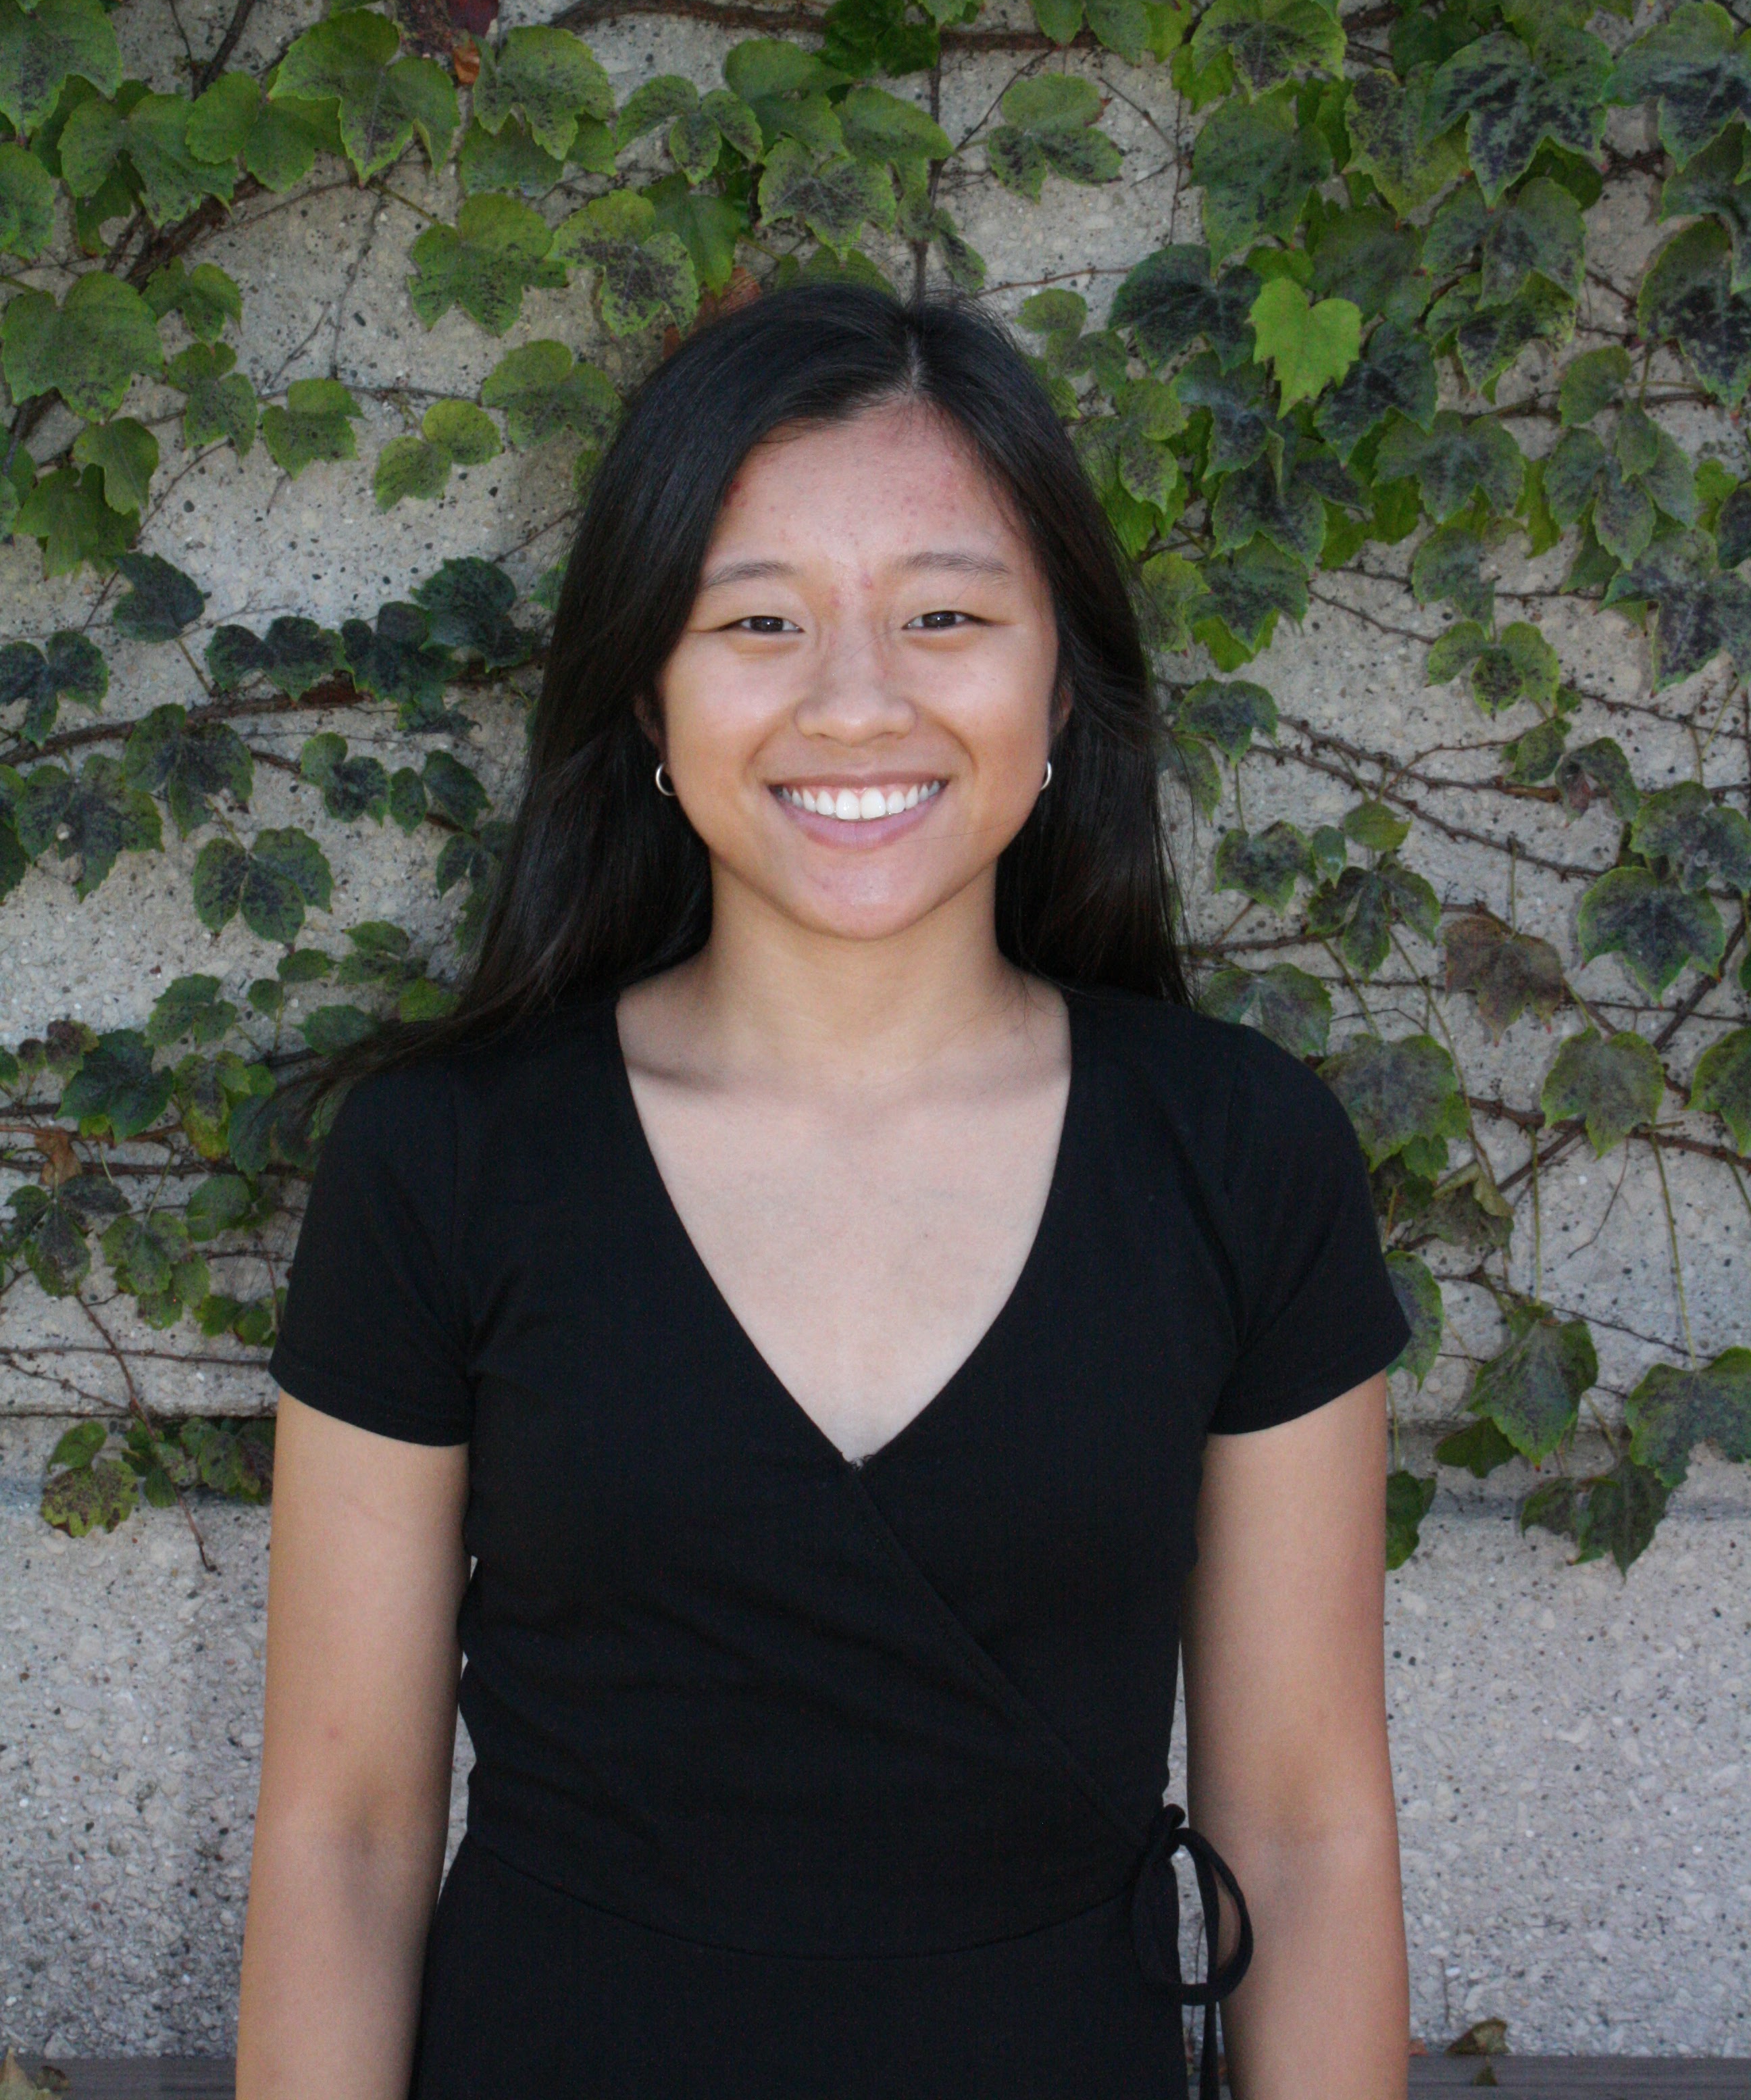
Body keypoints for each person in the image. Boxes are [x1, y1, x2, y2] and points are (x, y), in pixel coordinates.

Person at [237, 282, 1412, 2100]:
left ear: (1060, 679)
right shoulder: (444, 1166)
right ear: (649, 689)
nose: (857, 702)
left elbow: (1311, 1828)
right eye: (759, 622)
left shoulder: (1241, 1155)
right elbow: (346, 1833)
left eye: (945, 615)